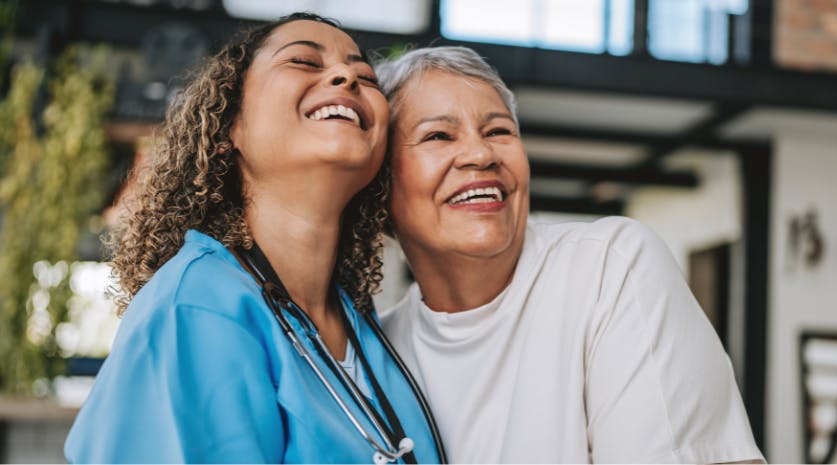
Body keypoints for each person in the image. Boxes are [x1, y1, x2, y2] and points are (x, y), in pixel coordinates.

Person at [65, 14, 444, 463]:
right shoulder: (195, 306)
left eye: (365, 77)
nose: (347, 77)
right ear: (230, 127)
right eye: (303, 61)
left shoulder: (362, 325)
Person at [375, 46, 764, 463]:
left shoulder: (610, 266)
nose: (481, 154)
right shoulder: (378, 352)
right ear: (378, 187)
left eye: (499, 131)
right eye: (438, 135)